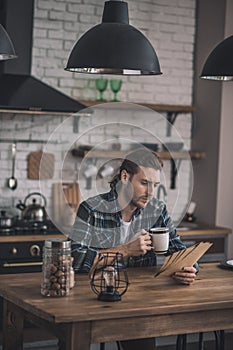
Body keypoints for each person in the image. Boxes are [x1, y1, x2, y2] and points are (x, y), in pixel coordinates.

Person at [69, 148, 197, 350]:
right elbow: (75, 259)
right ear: (125, 177)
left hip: (141, 303)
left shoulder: (156, 209)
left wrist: (188, 268)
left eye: (155, 185)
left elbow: (177, 247)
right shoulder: (91, 209)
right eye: (144, 183)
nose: (150, 192)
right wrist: (125, 250)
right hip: (95, 299)